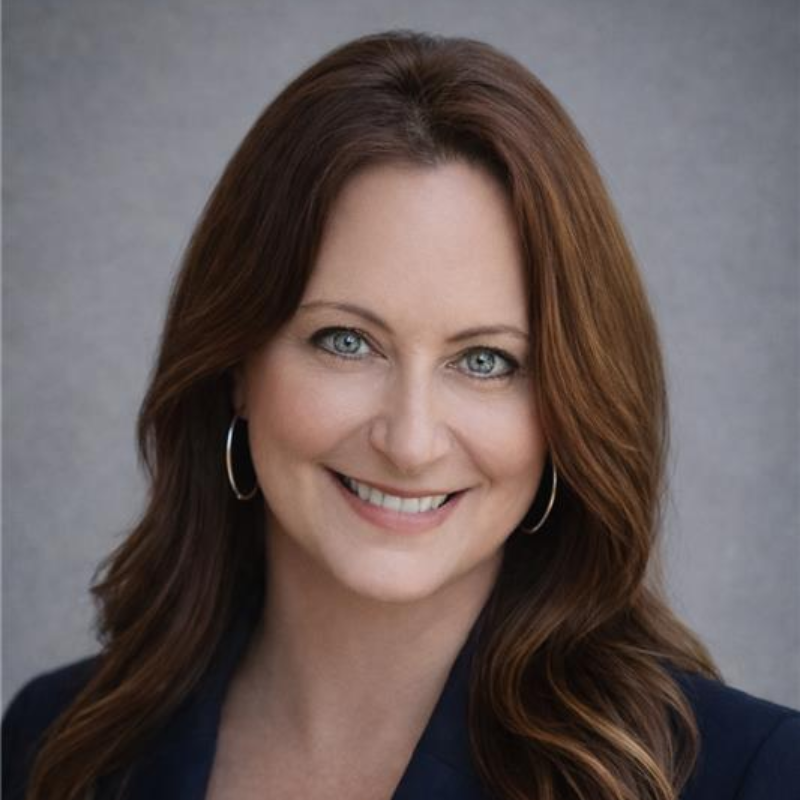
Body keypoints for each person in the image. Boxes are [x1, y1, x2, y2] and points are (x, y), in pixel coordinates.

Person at [2, 29, 799, 800]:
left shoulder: (744, 777)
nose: (410, 442)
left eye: (485, 361)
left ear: (566, 403)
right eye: (346, 341)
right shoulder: (56, 746)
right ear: (235, 366)